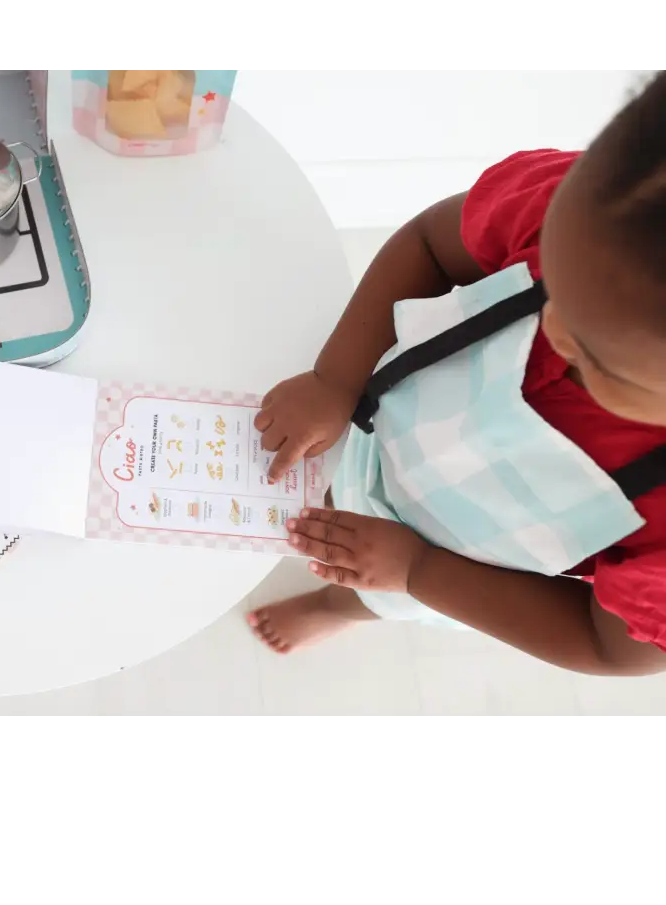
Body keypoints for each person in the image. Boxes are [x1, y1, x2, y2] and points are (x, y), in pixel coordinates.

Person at [249, 70, 666, 676]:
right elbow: (428, 241)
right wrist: (335, 380)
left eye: (591, 356)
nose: (548, 330)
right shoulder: (622, 204)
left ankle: (338, 606)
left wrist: (416, 571)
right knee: (334, 508)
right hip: (381, 419)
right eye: (555, 278)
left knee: (372, 590)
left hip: (455, 558)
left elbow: (605, 646)